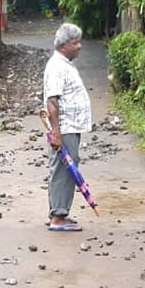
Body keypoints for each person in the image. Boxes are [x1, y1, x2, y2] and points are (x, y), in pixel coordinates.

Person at [44, 22, 91, 232]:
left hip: (70, 127)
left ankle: (59, 212)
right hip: (65, 127)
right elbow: (52, 101)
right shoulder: (56, 67)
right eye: (75, 43)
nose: (79, 46)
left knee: (66, 168)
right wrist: (57, 133)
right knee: (64, 169)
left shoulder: (64, 64)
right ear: (64, 45)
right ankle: (58, 216)